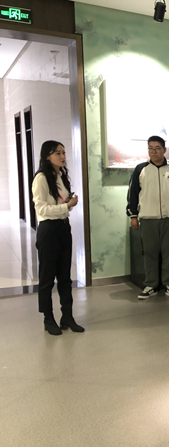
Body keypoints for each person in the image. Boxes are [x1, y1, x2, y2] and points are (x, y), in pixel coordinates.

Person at [33, 140, 84, 335]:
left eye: (63, 152)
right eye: (58, 153)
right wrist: (66, 206)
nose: (63, 156)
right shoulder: (41, 178)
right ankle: (48, 318)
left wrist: (68, 203)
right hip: (48, 230)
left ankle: (67, 316)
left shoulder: (61, 175)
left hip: (63, 228)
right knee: (47, 278)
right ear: (47, 156)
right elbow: (42, 209)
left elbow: (61, 205)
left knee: (64, 276)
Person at [127, 135, 169, 300]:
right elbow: (132, 194)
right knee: (149, 253)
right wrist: (133, 216)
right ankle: (151, 285)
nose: (153, 152)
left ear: (164, 150)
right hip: (147, 220)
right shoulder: (141, 169)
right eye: (150, 148)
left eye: (157, 148)